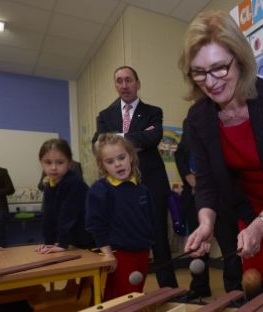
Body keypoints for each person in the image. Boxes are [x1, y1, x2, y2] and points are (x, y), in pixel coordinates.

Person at [180, 10, 263, 310]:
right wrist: (205, 223)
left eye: (219, 68)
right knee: (257, 298)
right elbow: (208, 181)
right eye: (199, 72)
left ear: (239, 59)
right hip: (246, 213)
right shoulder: (199, 117)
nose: (210, 82)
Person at [93, 65, 178, 288]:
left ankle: (169, 289)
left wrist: (116, 138)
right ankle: (124, 289)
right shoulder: (105, 115)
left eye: (128, 80)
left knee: (159, 236)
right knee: (123, 236)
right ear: (115, 86)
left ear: (137, 84)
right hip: (119, 188)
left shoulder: (153, 111)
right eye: (119, 81)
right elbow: (99, 142)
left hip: (152, 182)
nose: (124, 85)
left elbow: (153, 139)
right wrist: (135, 138)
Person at [175, 118, 242, 300]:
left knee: (230, 247)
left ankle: (234, 291)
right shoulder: (191, 121)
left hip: (222, 198)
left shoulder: (225, 120)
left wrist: (209, 184)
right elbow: (180, 154)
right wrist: (189, 177)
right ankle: (199, 286)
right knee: (197, 246)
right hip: (196, 197)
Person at [86, 133, 154, 300]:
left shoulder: (142, 189)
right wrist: (108, 254)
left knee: (136, 295)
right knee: (121, 300)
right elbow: (96, 225)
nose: (117, 164)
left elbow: (148, 220)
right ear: (103, 165)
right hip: (119, 255)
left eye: (121, 157)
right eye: (110, 161)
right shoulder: (99, 190)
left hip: (142, 252)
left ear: (130, 156)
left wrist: (148, 246)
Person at [35, 139, 95, 254]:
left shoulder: (74, 184)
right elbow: (48, 216)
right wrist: (48, 243)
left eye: (60, 162)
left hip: (87, 241)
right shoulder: (50, 184)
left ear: (69, 162)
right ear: (41, 163)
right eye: (48, 162)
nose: (53, 167)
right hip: (72, 242)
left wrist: (62, 244)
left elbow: (68, 216)